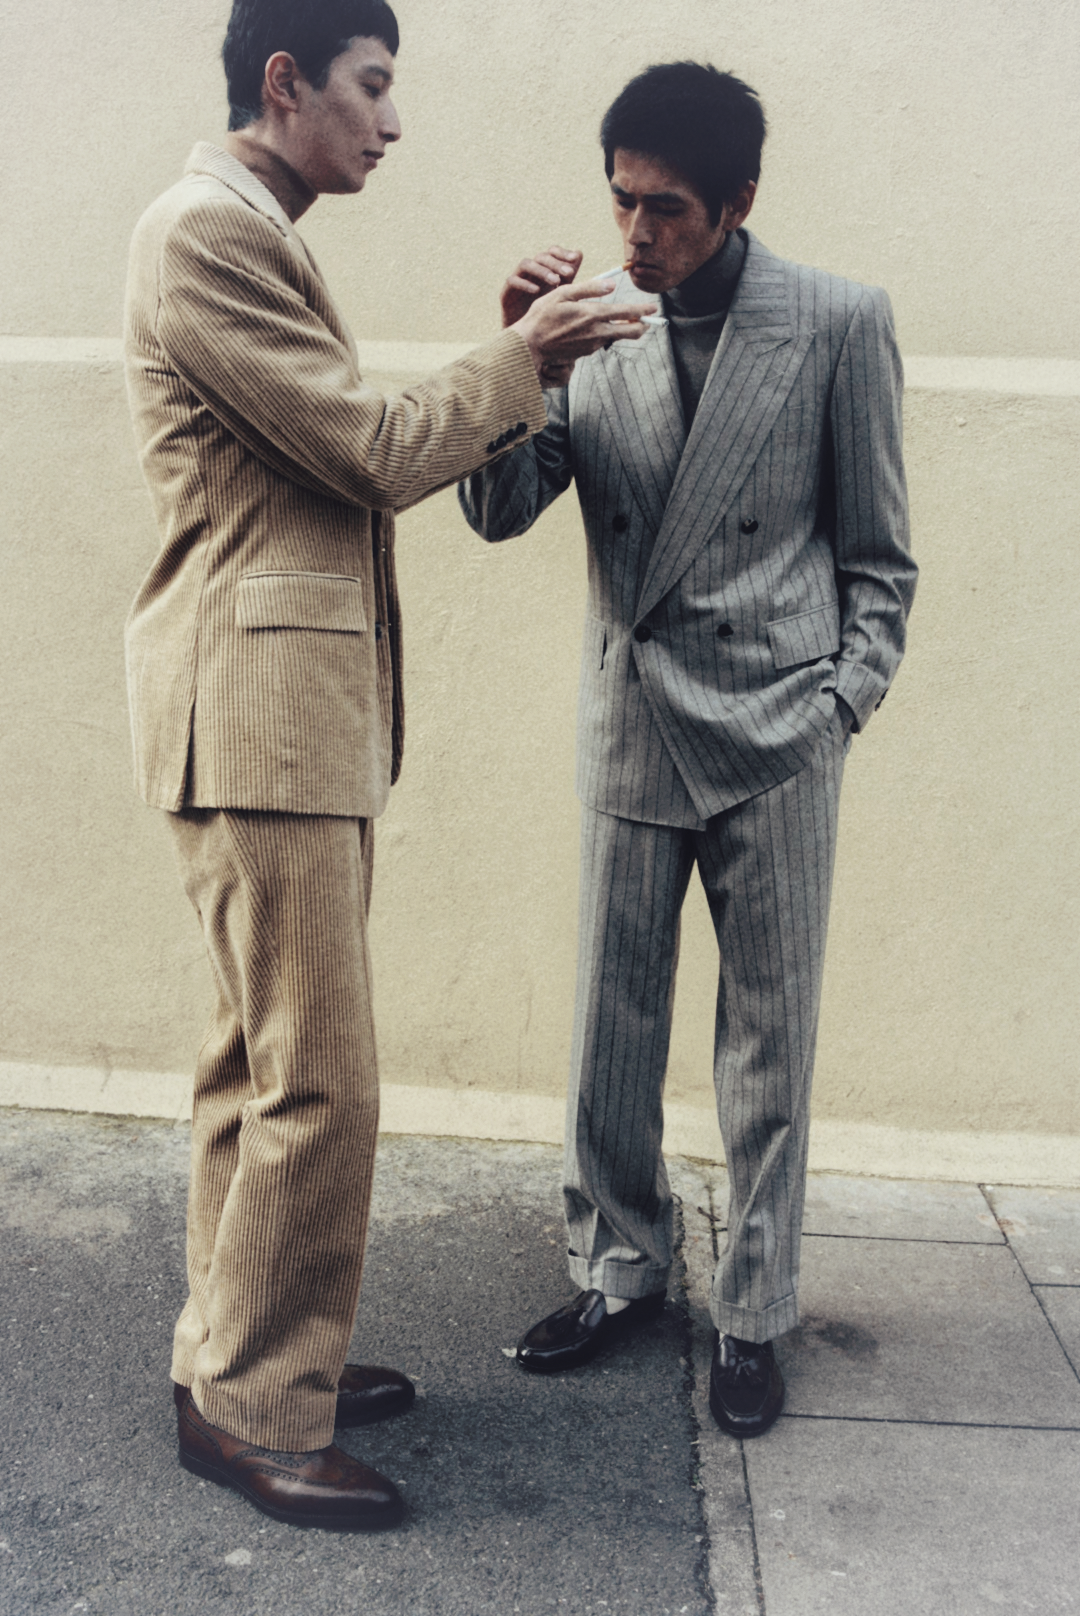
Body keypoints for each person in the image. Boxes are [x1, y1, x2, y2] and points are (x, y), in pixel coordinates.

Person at [123, 0, 652, 1532]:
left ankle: (238, 1355)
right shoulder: (206, 237)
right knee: (319, 1081)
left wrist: (513, 355)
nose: (393, 121)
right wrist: (524, 354)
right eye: (374, 85)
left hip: (274, 718)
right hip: (259, 719)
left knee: (257, 1065)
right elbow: (367, 449)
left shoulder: (245, 232)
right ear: (286, 81)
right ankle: (258, 1408)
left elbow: (338, 443)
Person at [459, 62, 917, 1439]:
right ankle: (618, 1269)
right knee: (612, 1024)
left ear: (737, 203)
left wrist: (841, 703)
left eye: (666, 209)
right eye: (621, 201)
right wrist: (521, 359)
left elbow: (880, 555)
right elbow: (498, 511)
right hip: (637, 711)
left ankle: (756, 1310)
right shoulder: (589, 325)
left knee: (770, 1039)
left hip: (781, 730)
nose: (637, 234)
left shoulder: (837, 320)